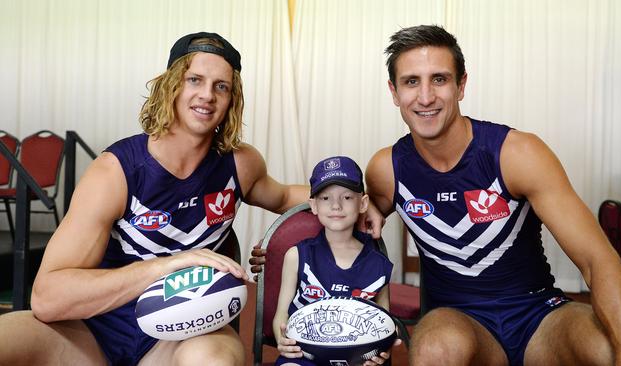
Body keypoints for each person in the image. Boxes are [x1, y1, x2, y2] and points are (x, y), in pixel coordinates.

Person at [0, 32, 384, 366]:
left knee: (213, 360)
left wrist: (367, 205)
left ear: (232, 99)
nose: (207, 95)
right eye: (194, 79)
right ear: (171, 85)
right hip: (91, 331)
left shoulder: (240, 164)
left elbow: (284, 194)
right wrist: (171, 265)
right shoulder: (115, 171)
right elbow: (48, 298)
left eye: (221, 86)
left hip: (183, 334)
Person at [363, 24, 621, 366]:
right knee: (434, 350)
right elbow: (330, 203)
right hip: (459, 321)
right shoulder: (386, 169)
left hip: (539, 315)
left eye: (439, 79)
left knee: (611, 348)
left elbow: (597, 261)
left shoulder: (517, 153)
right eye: (412, 82)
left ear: (461, 85)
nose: (425, 97)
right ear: (394, 92)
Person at [273, 156, 395, 366]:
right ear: (313, 205)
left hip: (357, 357)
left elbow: (385, 322)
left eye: (347, 197)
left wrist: (382, 351)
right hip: (305, 354)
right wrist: (282, 339)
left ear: (363, 203)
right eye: (325, 198)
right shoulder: (297, 255)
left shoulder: (378, 264)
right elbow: (282, 313)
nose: (336, 206)